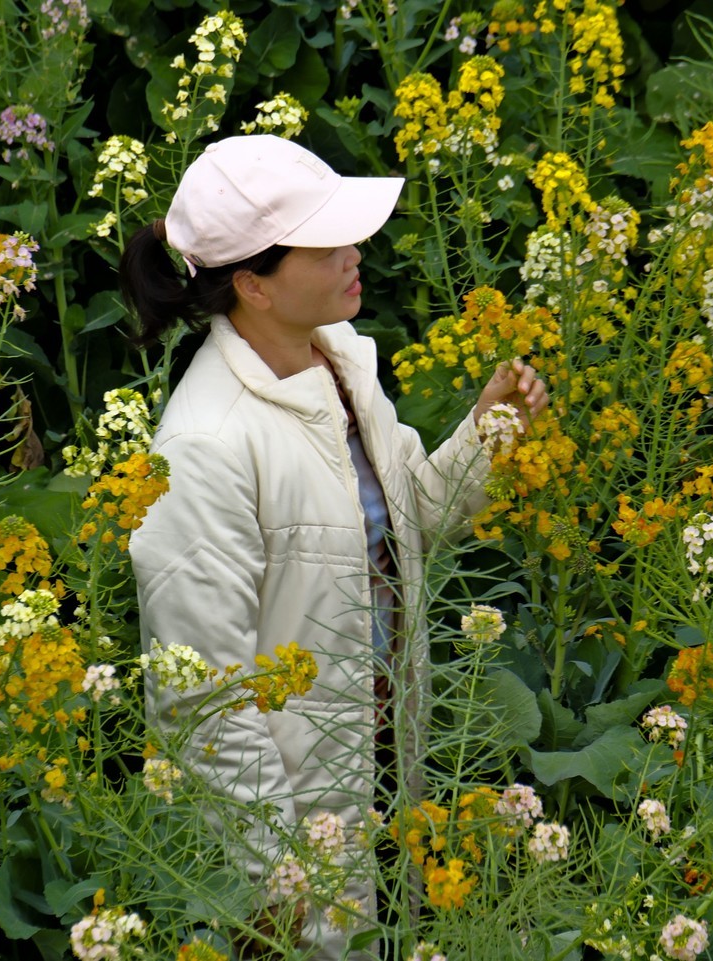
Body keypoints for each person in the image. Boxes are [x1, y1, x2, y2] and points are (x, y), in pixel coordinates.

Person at [123, 134, 547, 960]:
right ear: (253, 284)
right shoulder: (205, 443)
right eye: (329, 246)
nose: (357, 255)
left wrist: (488, 430)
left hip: (387, 774)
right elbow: (201, 707)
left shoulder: (339, 361)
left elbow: (405, 524)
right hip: (292, 839)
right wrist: (280, 882)